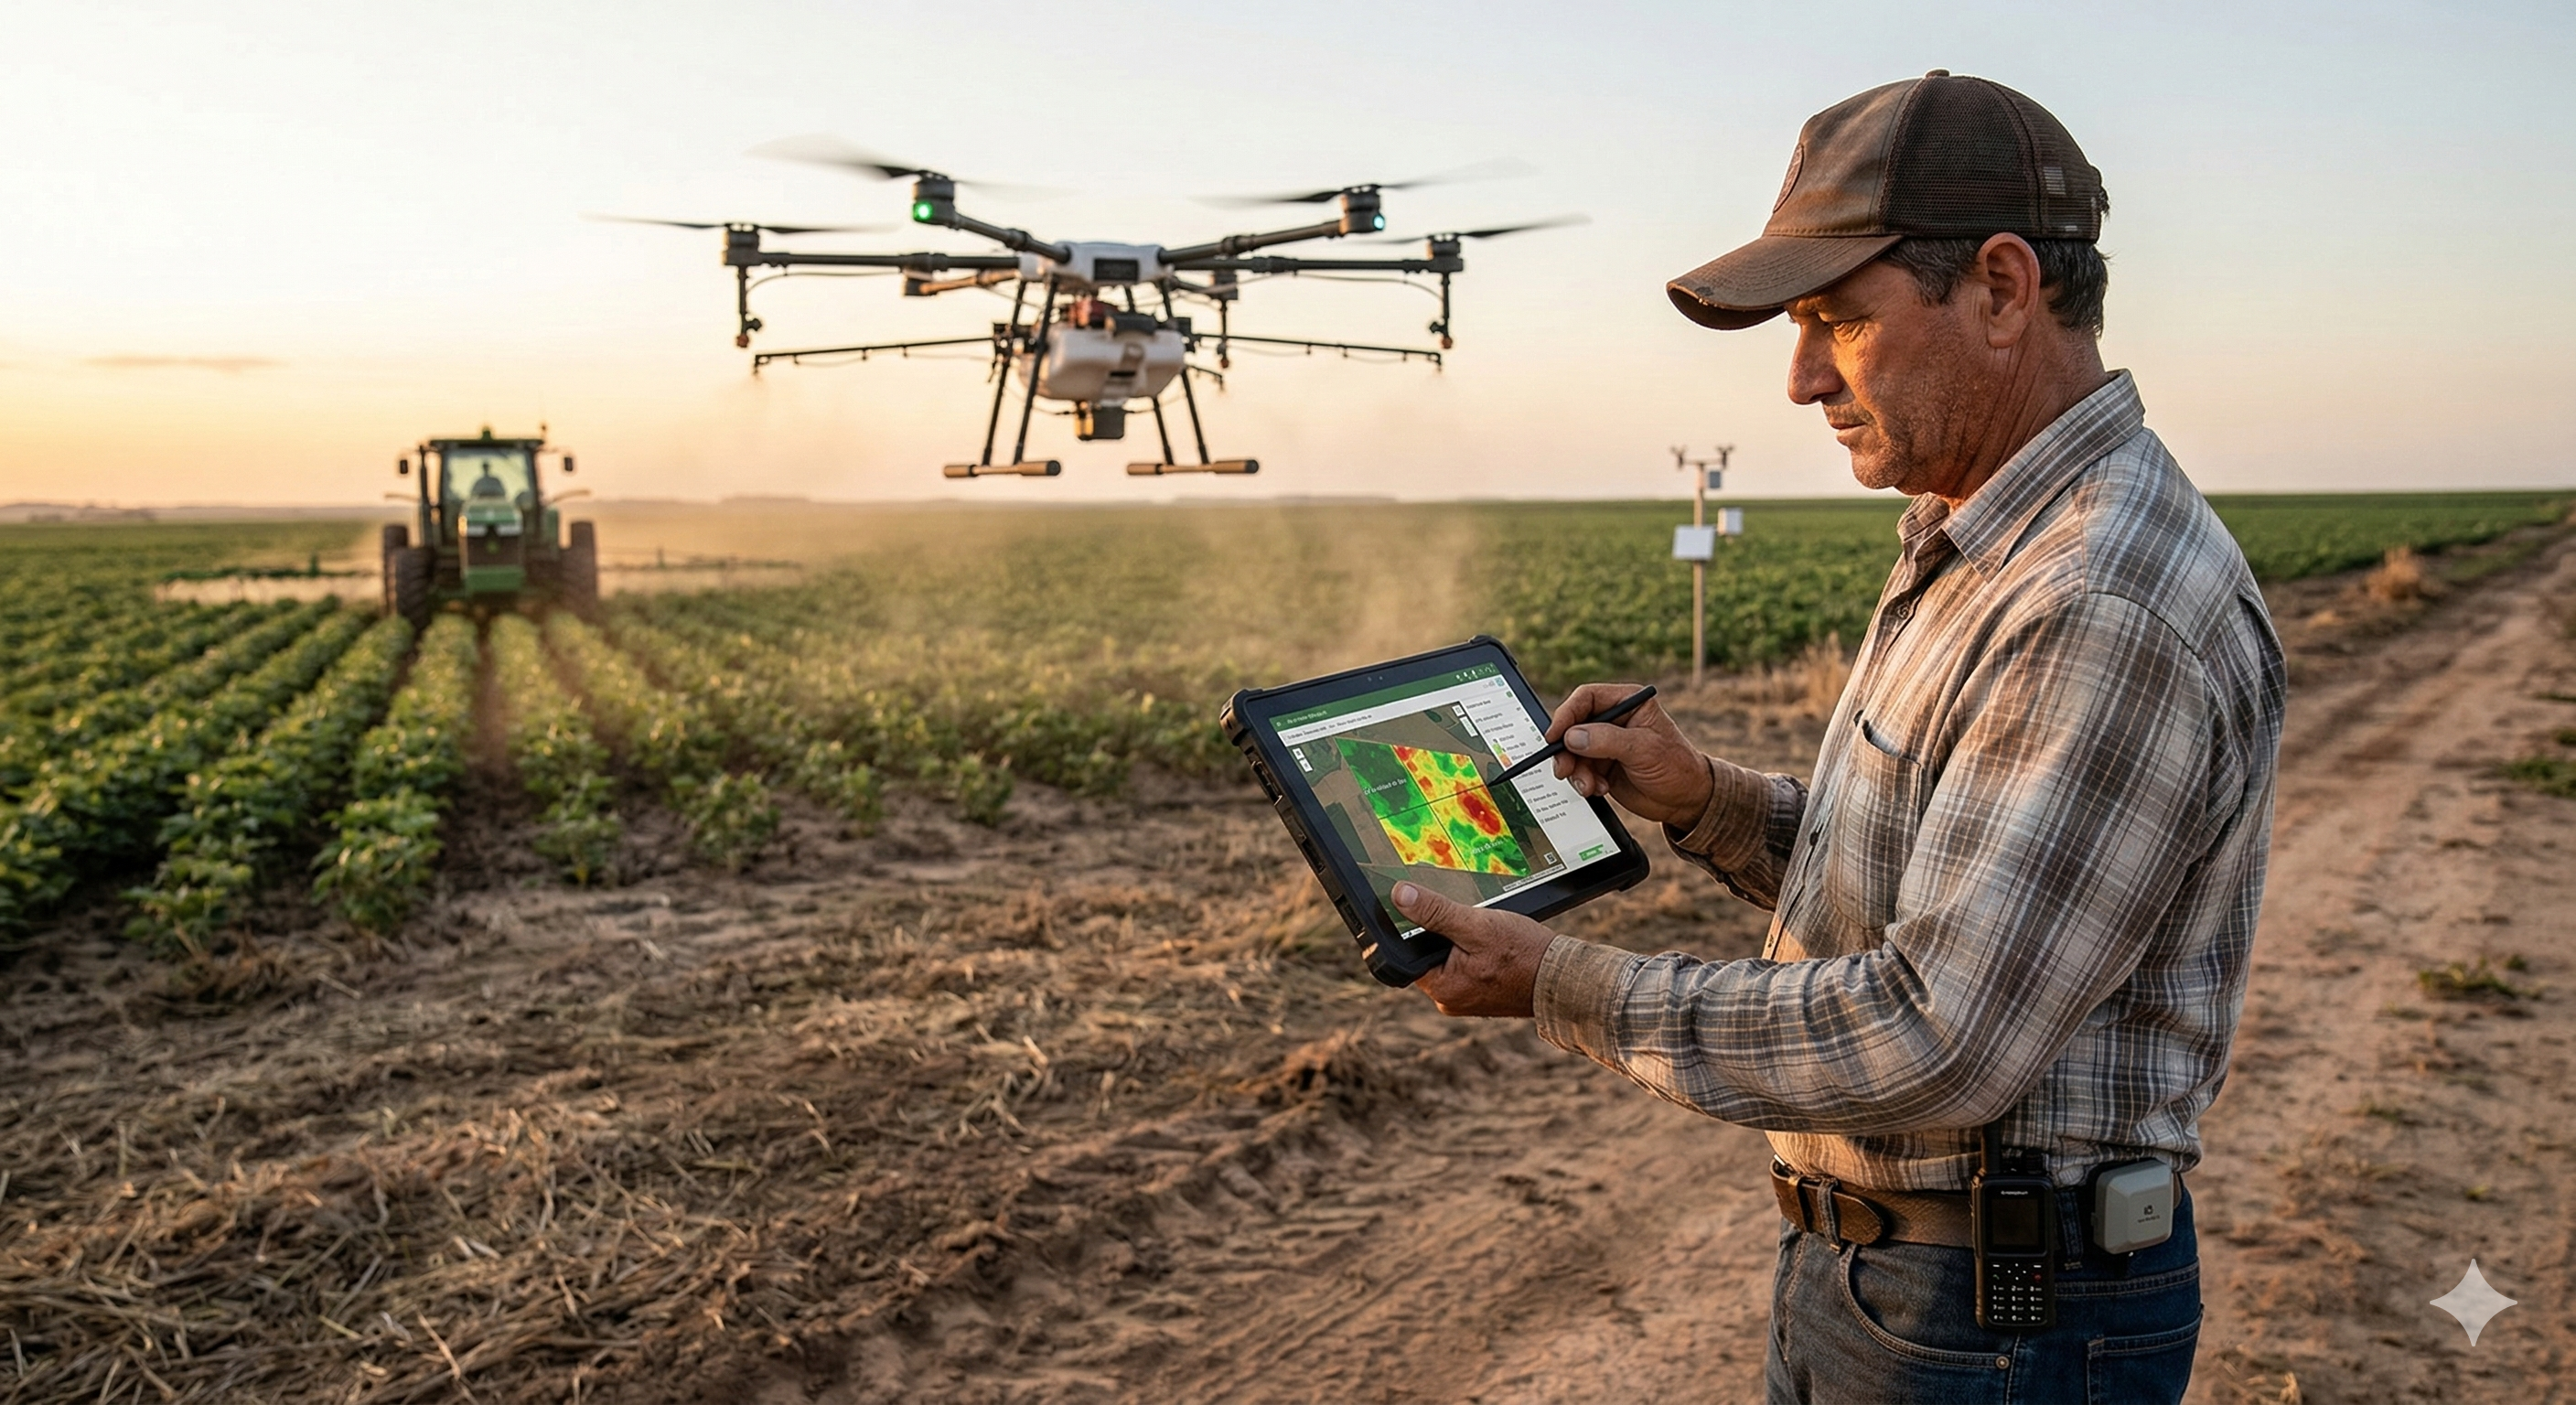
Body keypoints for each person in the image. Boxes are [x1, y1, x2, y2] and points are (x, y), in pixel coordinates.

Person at [1389, 72, 2284, 1404]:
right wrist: (1706, 801)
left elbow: (1939, 1032)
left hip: (1995, 1323)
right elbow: (1947, 887)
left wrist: (1561, 983)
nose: (1802, 379)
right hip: (1908, 1285)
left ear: (1999, 289)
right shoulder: (1984, 531)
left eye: (1836, 322)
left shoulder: (2094, 598)